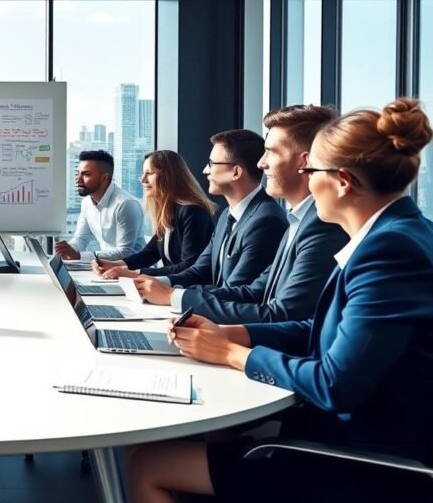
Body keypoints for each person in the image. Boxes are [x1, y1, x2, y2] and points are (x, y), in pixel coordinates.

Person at [128, 98, 433, 503]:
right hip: (349, 438)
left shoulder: (390, 250)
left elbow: (333, 385)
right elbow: (319, 329)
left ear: (342, 181)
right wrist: (231, 333)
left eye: (311, 170)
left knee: (147, 465)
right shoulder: (392, 235)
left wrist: (232, 354)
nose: (306, 179)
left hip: (362, 462)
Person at [171, 105, 348, 323]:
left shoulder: (320, 226)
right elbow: (256, 291)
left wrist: (227, 346)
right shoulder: (297, 220)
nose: (260, 163)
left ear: (305, 162)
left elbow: (284, 315)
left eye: (271, 152)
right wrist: (177, 297)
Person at [133, 129, 288, 304]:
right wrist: (156, 284)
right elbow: (200, 270)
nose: (205, 170)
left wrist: (172, 296)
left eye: (212, 163)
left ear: (236, 172)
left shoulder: (266, 221)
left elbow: (235, 291)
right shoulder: (227, 215)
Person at [94, 150, 215, 279]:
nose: (143, 179)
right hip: (173, 286)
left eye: (149, 173)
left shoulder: (192, 211)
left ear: (169, 176)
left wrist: (135, 274)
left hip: (189, 290)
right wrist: (115, 265)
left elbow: (189, 265)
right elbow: (150, 253)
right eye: (142, 174)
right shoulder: (169, 211)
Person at [55, 150, 145, 262]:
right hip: (106, 267)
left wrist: (78, 256)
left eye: (86, 175)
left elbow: (125, 252)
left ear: (104, 178)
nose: (78, 180)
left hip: (133, 270)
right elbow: (81, 239)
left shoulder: (126, 204)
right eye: (78, 174)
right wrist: (65, 250)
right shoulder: (87, 202)